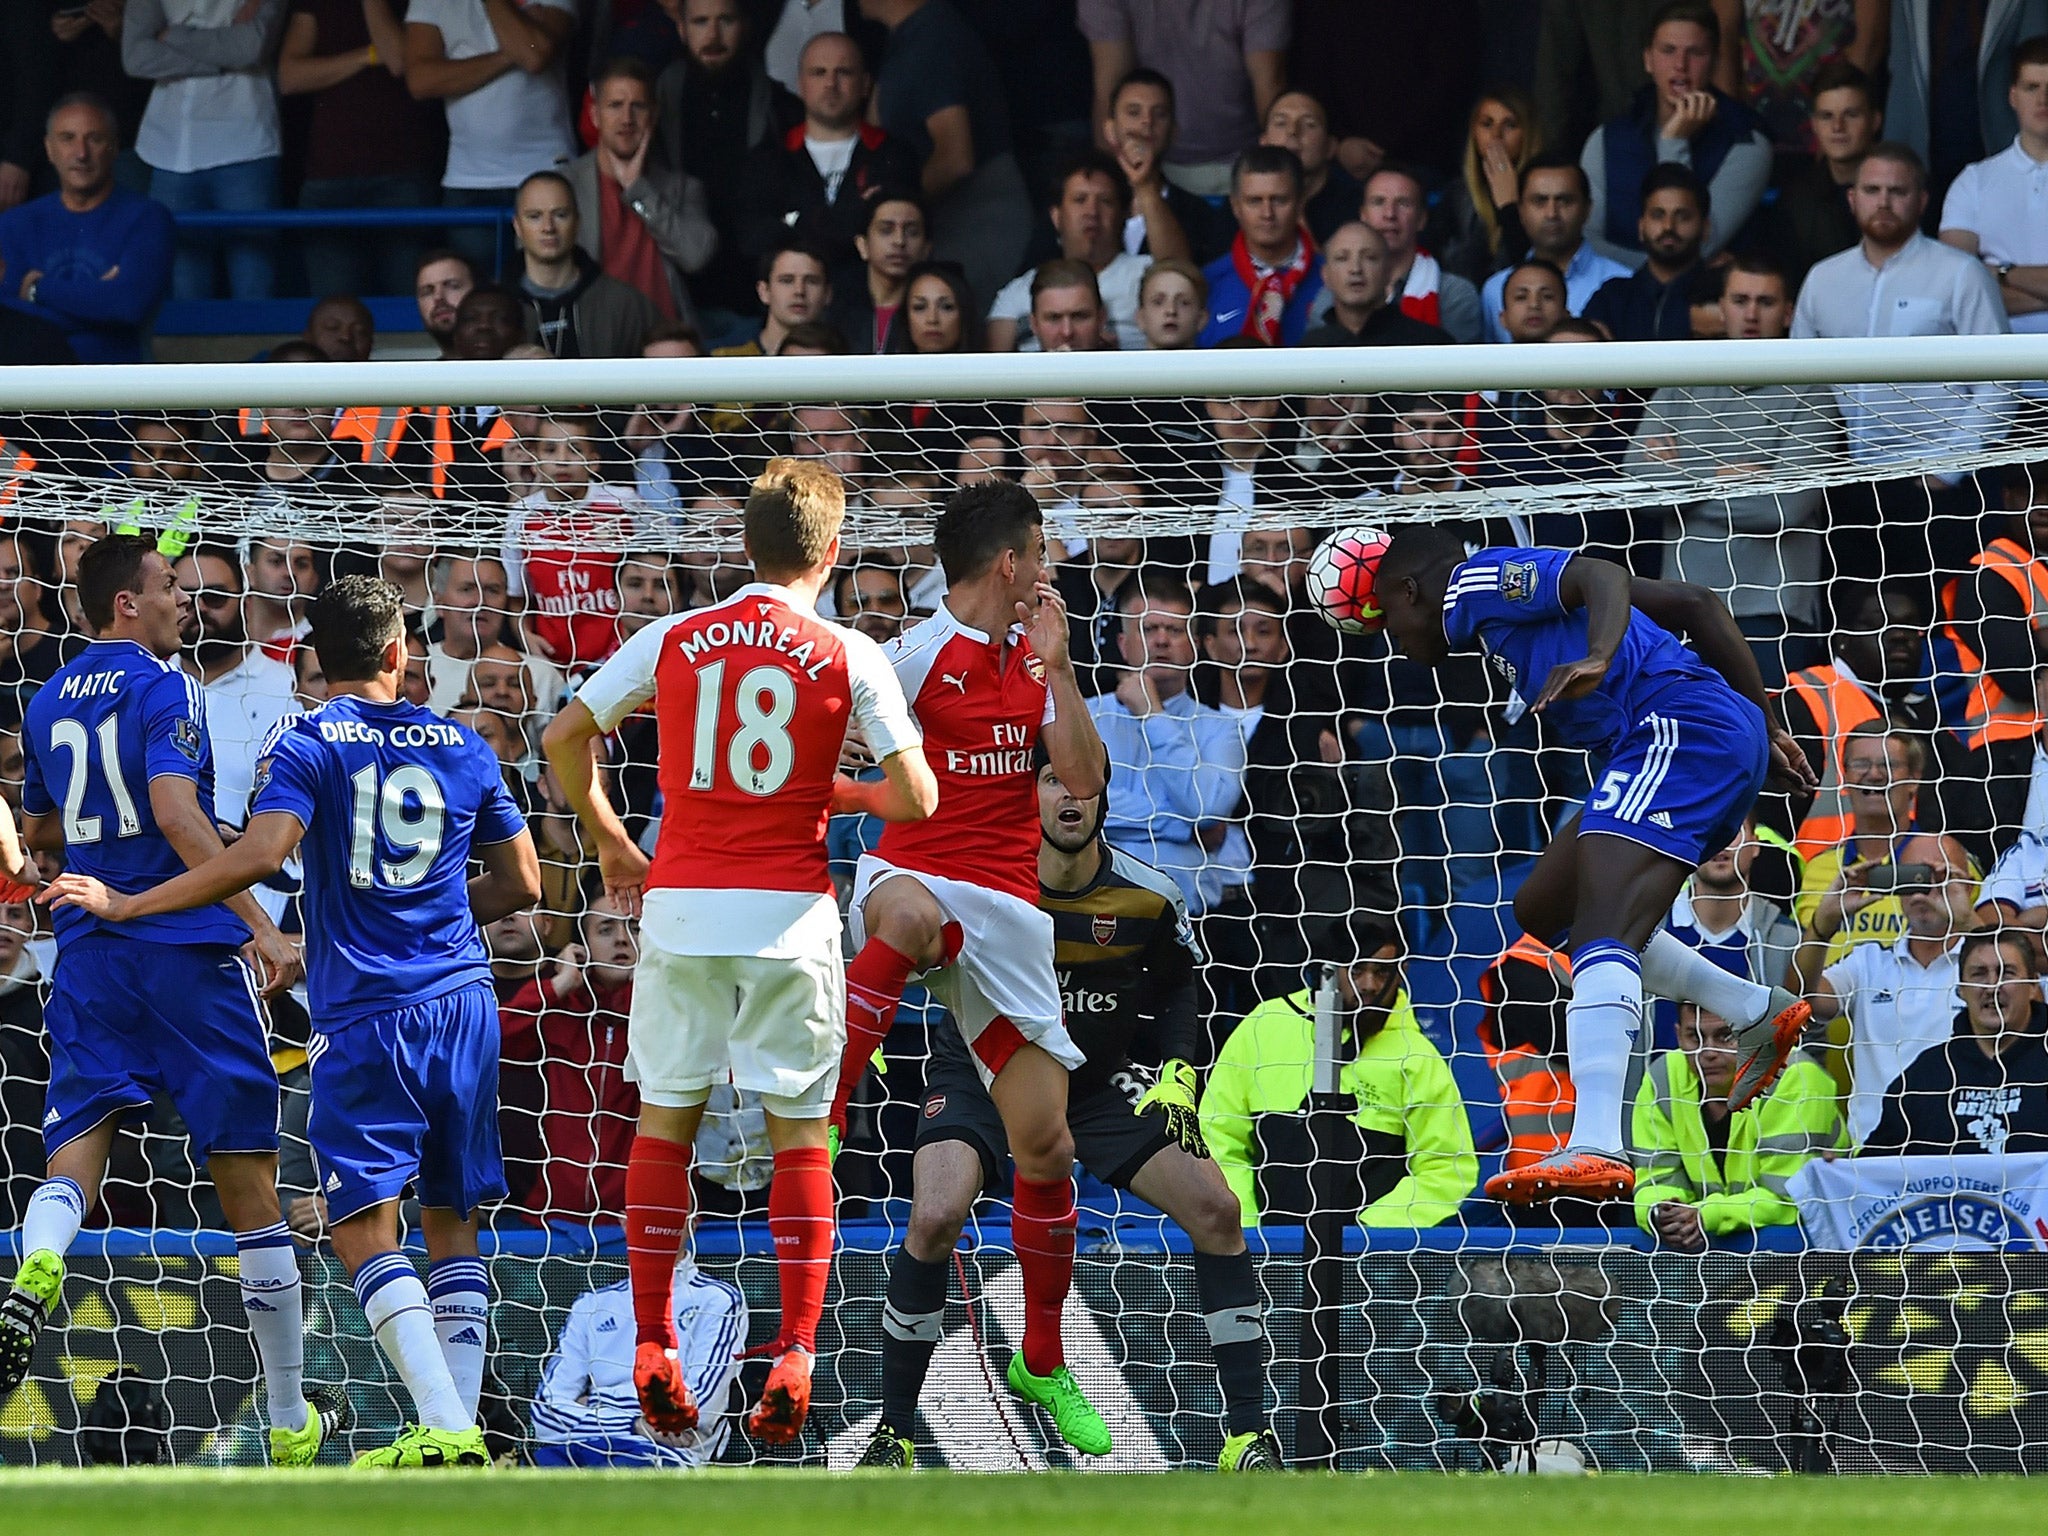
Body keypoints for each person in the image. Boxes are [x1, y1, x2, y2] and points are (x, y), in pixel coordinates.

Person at [43, 574, 544, 1467]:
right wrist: (422, 914)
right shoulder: (469, 745)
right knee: (452, 1219)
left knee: (359, 1224)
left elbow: (258, 856)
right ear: (400, 654)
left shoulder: (307, 740)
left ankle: (448, 1424)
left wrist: (130, 905)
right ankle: (459, 1444)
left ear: (316, 660)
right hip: (465, 1003)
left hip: (366, 1014)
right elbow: (525, 887)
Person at [540, 460, 935, 1446]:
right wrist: (831, 796)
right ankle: (795, 1350)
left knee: (665, 1126)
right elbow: (916, 799)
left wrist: (610, 843)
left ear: (741, 548)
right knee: (802, 1136)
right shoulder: (845, 649)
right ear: (831, 553)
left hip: (680, 907)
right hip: (790, 915)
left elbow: (561, 737)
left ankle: (651, 1343)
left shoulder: (674, 634)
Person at [859, 751, 1281, 1472]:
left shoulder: (1148, 895)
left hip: (1094, 1081)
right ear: (1031, 795)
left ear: (1104, 802)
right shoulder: (982, 885)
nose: (1068, 796)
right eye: (1053, 780)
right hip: (983, 1072)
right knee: (932, 1218)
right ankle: (894, 1433)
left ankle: (1247, 1438)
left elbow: (1181, 986)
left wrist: (1179, 1071)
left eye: (1083, 784)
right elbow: (910, 942)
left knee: (1217, 1210)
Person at [1373, 527, 1819, 1202]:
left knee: (1604, 927)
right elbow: (1698, 603)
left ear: (1412, 591)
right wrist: (1766, 724)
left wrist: (1599, 657)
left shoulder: (1473, 584)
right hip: (1690, 735)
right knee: (1544, 909)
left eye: (1389, 616)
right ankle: (1752, 1007)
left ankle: (1596, 1145)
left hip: (1676, 729)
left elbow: (1600, 574)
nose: (1392, 637)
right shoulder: (1504, 614)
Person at [0, 536, 324, 1463]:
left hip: (92, 953)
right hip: (184, 952)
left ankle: (41, 1263)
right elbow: (178, 820)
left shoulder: (46, 698)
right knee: (249, 1187)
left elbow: (40, 847)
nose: (186, 604)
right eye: (171, 590)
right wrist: (262, 927)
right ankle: (290, 1421)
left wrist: (37, 862)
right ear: (126, 607)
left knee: (77, 1152)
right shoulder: (161, 685)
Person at [824, 479, 1112, 1456]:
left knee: (1046, 1152)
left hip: (1006, 923)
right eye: (1041, 553)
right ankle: (820, 1130)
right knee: (902, 916)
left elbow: (1080, 781)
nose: (1049, 570)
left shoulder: (1035, 665)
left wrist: (1062, 670)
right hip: (909, 876)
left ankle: (1039, 1354)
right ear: (1010, 562)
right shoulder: (905, 658)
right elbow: (826, 750)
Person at [1790, 142, 2010, 586]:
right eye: (1872, 189)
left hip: (1940, 492)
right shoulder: (1823, 278)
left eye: (1898, 190)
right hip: (1849, 490)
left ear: (1922, 200)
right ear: (1852, 198)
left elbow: (2003, 380)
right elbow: (1800, 386)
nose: (1884, 201)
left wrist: (1949, 468)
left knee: (1944, 626)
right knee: (1857, 626)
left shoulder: (1960, 273)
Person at [1626, 253, 1838, 685]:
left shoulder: (1814, 393)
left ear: (1788, 312)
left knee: (1771, 748)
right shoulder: (1682, 383)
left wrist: (1683, 477)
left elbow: (1785, 506)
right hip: (1682, 609)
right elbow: (1636, 482)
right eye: (1740, 300)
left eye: (1765, 301)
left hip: (1773, 615)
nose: (1752, 313)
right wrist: (1720, 478)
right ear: (1721, 307)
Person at [1200, 915, 1477, 1227]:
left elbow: (1445, 1168)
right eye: (1357, 970)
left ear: (1402, 973)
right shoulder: (1265, 1025)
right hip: (1265, 1249)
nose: (1369, 985)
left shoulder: (1417, 1056)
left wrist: (1369, 1236)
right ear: (1328, 969)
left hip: (1371, 1261)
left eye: (1382, 972)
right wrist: (1247, 1228)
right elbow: (1218, 1138)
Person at [1790, 829, 1976, 1145]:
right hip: (1875, 1156)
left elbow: (2026, 1001)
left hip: (1963, 1148)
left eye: (1936, 877)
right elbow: (1800, 1001)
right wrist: (1823, 924)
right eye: (1910, 877)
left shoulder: (1985, 970)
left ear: (1967, 885)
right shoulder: (1869, 962)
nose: (1921, 892)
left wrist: (1966, 920)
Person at [1086, 576, 1249, 918]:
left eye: (1174, 631)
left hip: (1189, 919)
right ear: (1123, 643)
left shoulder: (1221, 729)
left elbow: (1207, 809)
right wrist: (1184, 827)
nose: (1161, 640)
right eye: (1148, 629)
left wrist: (1152, 714)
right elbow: (1081, 810)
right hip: (1093, 910)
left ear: (1194, 645)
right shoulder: (1086, 715)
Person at [861, 0, 1032, 310]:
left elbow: (955, 157)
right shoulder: (907, 37)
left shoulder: (933, 35)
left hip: (979, 222)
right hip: (949, 222)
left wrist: (895, 205)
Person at [1631, 1003, 1844, 1251]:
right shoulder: (1663, 1077)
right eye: (1694, 1037)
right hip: (1708, 1252)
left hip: (1814, 1249)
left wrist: (1705, 1216)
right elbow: (1654, 1182)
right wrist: (1661, 1213)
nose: (1708, 1051)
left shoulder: (1795, 1076)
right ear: (1678, 1035)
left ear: (1754, 1034)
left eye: (1726, 1036)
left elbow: (1790, 1199)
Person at [1582, 2, 1773, 268]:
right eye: (1668, 50)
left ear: (1715, 61)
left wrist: (1674, 142)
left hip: (1701, 301)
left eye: (1695, 52)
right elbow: (1586, 248)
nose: (1680, 65)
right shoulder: (1606, 139)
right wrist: (1659, 271)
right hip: (1615, 298)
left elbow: (1696, 248)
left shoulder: (1747, 142)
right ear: (1648, 60)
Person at [121, 0, 285, 301]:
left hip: (245, 144)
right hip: (170, 148)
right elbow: (135, 57)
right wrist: (221, 57)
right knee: (184, 297)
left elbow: (249, 48)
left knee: (255, 293)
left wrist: (172, 35)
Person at [279, 0, 440, 301]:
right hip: (328, 176)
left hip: (401, 175)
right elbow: (289, 77)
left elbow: (396, 58)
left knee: (407, 308)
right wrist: (365, 56)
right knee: (336, 311)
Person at [404, 0, 578, 270]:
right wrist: (509, 54)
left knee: (550, 284)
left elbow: (534, 57)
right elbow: (420, 80)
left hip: (546, 168)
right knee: (477, 301)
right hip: (469, 180)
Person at [0, 94, 172, 365]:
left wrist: (36, 289)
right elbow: (7, 316)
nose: (81, 153)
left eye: (94, 139)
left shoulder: (147, 218)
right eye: (67, 138)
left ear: (115, 148)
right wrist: (96, 300)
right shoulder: (15, 223)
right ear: (49, 148)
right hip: (33, 390)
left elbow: (127, 305)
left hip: (118, 392)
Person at [530, 1256, 746, 1467]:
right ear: (622, 1220)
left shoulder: (718, 1300)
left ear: (693, 1220)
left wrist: (597, 1401)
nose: (649, 1222)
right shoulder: (592, 1304)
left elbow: (698, 1413)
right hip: (576, 1447)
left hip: (664, 1452)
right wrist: (633, 1423)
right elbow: (544, 1414)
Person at [735, 31, 921, 273]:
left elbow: (902, 239)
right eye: (819, 72)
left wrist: (794, 221)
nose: (831, 84)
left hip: (869, 303)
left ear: (865, 84)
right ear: (800, 84)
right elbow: (752, 241)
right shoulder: (768, 158)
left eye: (843, 72)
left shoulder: (895, 156)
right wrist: (855, 216)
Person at [1779, 587, 1940, 861]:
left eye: (1910, 627)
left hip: (1921, 882)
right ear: (1843, 640)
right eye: (1880, 625)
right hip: (1827, 882)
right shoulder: (1804, 700)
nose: (1900, 636)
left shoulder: (1928, 712)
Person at [1078, 0, 1290, 198]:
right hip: (1150, 164)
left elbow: (1270, 91)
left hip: (1247, 163)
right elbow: (1110, 93)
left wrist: (1279, 177)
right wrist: (1111, 187)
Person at [1865, 928, 2048, 1154]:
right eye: (1979, 974)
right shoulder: (1926, 1075)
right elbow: (1873, 1169)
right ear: (1961, 989)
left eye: (2006, 973)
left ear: (2033, 986)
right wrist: (1836, 1170)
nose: (1992, 986)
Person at [565, 55, 717, 325]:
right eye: (615, 105)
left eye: (638, 106)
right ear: (595, 115)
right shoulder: (565, 185)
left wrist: (638, 189)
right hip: (593, 337)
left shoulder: (683, 187)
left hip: (664, 340)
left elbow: (696, 256)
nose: (627, 118)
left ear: (654, 114)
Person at [1880, 0, 2048, 203]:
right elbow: (1901, 72)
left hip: (1999, 145)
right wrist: (1890, 156)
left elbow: (2036, 63)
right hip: (1927, 151)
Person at [987, 152, 1151, 352]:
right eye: (1080, 200)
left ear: (1124, 214)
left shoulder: (1148, 273)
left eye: (1105, 201)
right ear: (1056, 216)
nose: (1092, 212)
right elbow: (995, 371)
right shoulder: (1015, 293)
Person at [1939, 35, 2048, 337]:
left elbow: (1978, 291)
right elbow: (1955, 289)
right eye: (2032, 87)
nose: (2043, 99)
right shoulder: (1973, 181)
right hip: (1996, 367)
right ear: (2013, 96)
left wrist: (2002, 273)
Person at [1478, 157, 1632, 343]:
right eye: (1540, 201)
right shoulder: (1495, 289)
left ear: (1587, 209)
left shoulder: (1623, 283)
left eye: (1565, 201)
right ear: (1520, 210)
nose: (1552, 213)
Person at [511, 171, 662, 359]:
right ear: (517, 226)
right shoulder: (494, 309)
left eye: (560, 215)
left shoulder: (625, 304)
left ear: (577, 222)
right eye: (534, 216)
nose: (548, 227)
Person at [1765, 60, 1882, 293]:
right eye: (1827, 116)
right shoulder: (1792, 202)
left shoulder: (1902, 192)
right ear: (1814, 125)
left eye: (1851, 114)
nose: (1838, 127)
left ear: (1875, 121)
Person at [1098, 66, 1232, 264]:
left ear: (1174, 132)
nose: (1147, 121)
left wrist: (1145, 187)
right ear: (1109, 130)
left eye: (1159, 114)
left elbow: (1181, 275)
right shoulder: (1084, 199)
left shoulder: (1198, 213)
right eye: (1134, 112)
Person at [1197, 145, 1323, 347]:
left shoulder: (1331, 279)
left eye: (1279, 200)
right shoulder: (1205, 285)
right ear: (1235, 206)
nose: (1267, 214)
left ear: (1300, 203)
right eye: (1255, 201)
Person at [1583, 162, 1718, 339]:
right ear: (1641, 227)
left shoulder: (1725, 295)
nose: (1668, 226)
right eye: (1658, 215)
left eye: (1683, 216)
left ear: (1705, 228)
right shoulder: (1611, 299)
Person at [1361, 161, 1486, 342]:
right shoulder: (1338, 294)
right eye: (1378, 202)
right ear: (1363, 216)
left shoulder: (1455, 295)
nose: (1390, 214)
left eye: (1403, 203)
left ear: (1422, 219)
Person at [1435, 86, 1543, 285]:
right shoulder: (1457, 194)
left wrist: (1508, 205)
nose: (1496, 135)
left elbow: (1532, 265)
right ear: (1473, 132)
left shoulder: (1544, 193)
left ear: (1528, 133)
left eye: (1509, 125)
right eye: (1486, 124)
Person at [1300, 223, 1454, 347]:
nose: (1355, 269)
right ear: (1325, 275)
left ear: (1388, 272)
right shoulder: (1310, 350)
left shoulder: (1429, 345)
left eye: (1370, 258)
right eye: (1342, 258)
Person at [829, 192, 928, 354]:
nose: (899, 241)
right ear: (862, 245)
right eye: (886, 230)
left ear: (926, 248)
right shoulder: (834, 312)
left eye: (912, 232)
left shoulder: (933, 316)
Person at [1260, 88, 1361, 245]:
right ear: (1264, 143)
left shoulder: (1357, 204)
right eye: (1281, 123)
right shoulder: (1244, 198)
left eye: (1309, 124)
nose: (1293, 131)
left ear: (1330, 147)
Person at [413, 249, 477, 358]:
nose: (438, 297)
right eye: (427, 292)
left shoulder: (511, 369)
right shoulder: (423, 375)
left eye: (453, 286)